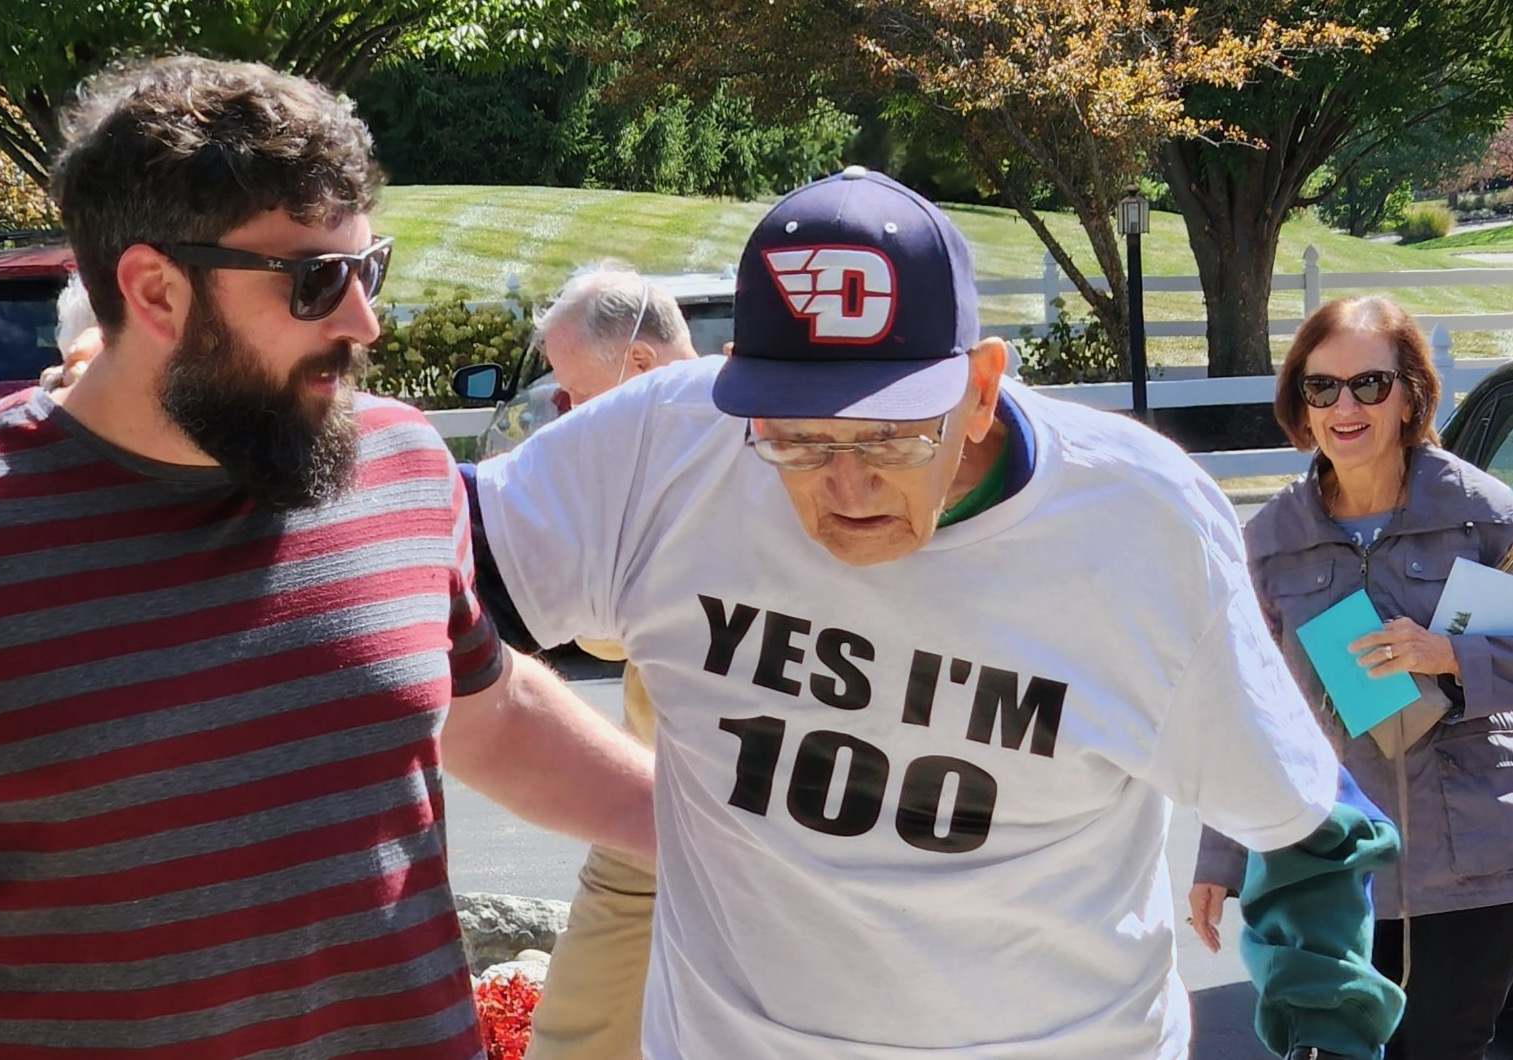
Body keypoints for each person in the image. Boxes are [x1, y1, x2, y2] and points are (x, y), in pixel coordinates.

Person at [0, 55, 653, 1060]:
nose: (365, 321)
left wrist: (715, 834)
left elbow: (489, 710)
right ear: (156, 290)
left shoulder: (399, 465)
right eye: (317, 282)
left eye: (370, 268)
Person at [469, 167, 1403, 1060]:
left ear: (981, 384)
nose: (845, 486)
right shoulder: (668, 439)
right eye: (796, 439)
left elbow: (1304, 816)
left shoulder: (1136, 520)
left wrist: (1327, 1027)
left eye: (890, 435)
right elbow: (415, 573)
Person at [1189, 296, 1513, 1060]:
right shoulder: (1268, 546)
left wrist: (1450, 658)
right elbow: (1240, 707)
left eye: (1368, 384)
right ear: (1299, 405)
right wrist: (1217, 859)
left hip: (1475, 869)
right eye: (1321, 386)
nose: (1345, 405)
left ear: (1410, 397)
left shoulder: (1489, 519)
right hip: (1329, 872)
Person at [515, 265, 697, 1060]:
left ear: (642, 370)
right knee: (575, 1040)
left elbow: (608, 628)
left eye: (574, 391)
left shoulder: (754, 450)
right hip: (648, 817)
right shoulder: (629, 453)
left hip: (766, 823)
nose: (565, 413)